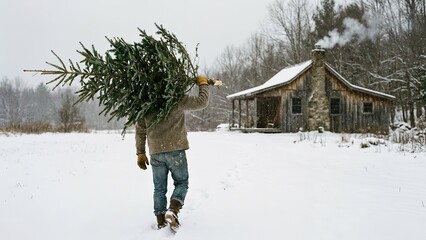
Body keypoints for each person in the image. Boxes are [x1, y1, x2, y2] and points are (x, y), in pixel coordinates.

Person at [135, 76, 209, 231]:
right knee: (182, 182)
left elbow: (140, 130)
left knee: (159, 188)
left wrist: (140, 152)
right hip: (176, 149)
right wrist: (203, 84)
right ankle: (173, 210)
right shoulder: (176, 98)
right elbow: (202, 102)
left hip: (156, 152)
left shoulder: (146, 104)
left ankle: (161, 221)